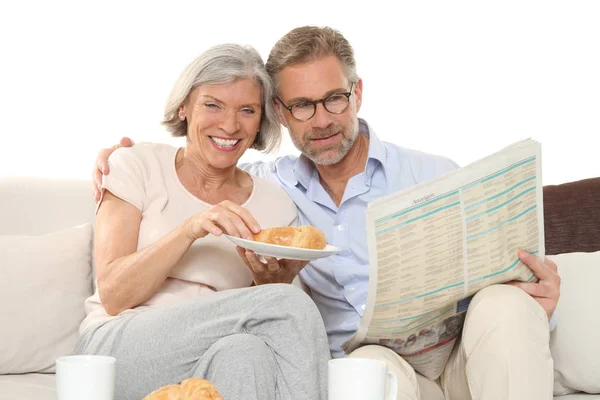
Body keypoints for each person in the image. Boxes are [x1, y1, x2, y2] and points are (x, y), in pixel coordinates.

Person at [92, 27, 561, 400]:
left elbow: (504, 260)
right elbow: (203, 160)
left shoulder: (430, 176)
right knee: (358, 369)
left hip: (462, 356)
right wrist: (118, 159)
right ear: (282, 111)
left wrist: (536, 294)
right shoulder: (264, 186)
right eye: (301, 105)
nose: (320, 120)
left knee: (508, 304)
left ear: (357, 93)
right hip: (373, 364)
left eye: (334, 99)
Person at [78, 43, 330, 400]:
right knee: (288, 306)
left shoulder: (275, 203)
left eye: (247, 110)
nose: (229, 124)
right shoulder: (136, 164)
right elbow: (115, 295)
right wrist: (189, 229)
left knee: (247, 354)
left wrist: (270, 282)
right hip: (117, 347)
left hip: (211, 354)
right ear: (184, 106)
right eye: (212, 104)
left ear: (261, 122)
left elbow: (268, 328)